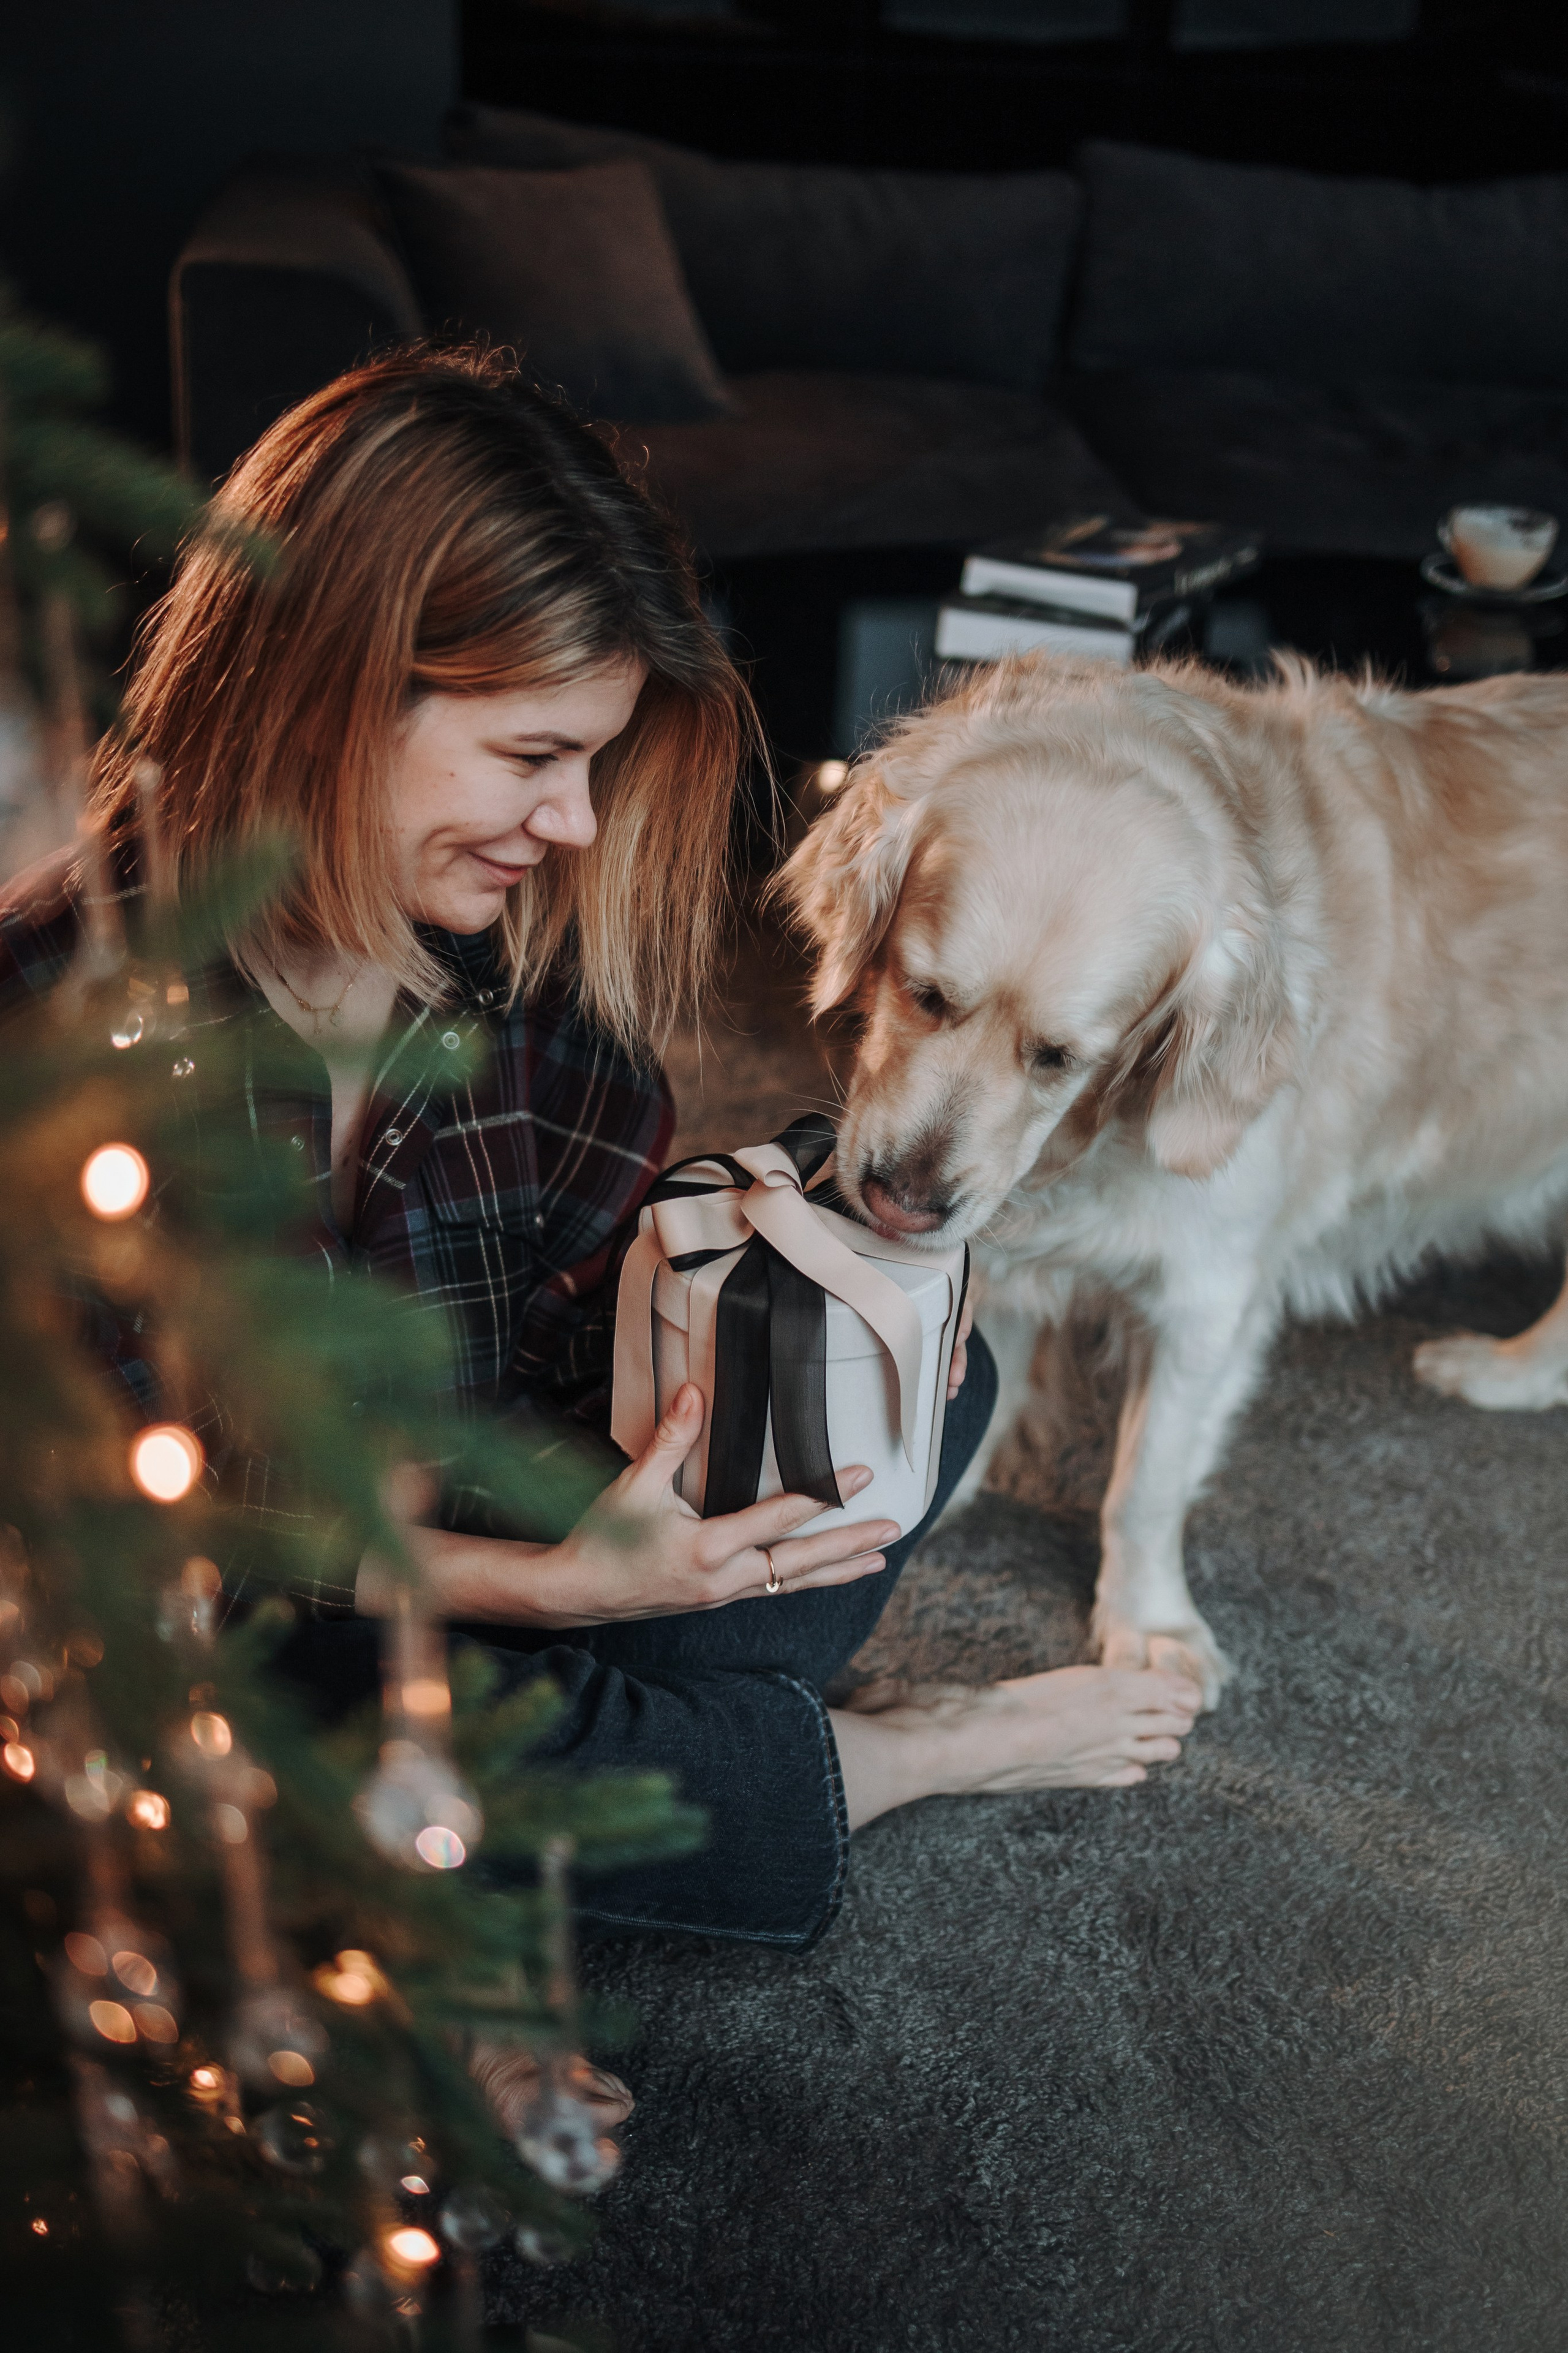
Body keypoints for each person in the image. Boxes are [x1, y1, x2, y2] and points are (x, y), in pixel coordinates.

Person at [0, 347, 1199, 1965]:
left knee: (919, 1384)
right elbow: (138, 1540)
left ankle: (638, 1758)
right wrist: (544, 1590)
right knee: (288, 1736)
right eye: (529, 756)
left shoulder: (518, 978)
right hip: (225, 1605)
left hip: (467, 1485)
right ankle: (880, 1755)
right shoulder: (62, 1028)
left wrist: (738, 1304)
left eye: (590, 763)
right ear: (336, 693)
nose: (570, 823)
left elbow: (571, 1326)